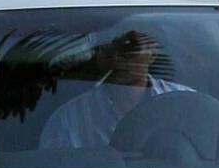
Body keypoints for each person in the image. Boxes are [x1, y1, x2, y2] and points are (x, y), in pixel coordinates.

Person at [39, 30, 188, 150]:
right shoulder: (68, 120)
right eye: (106, 49)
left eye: (128, 46)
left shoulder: (187, 105)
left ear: (153, 53)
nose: (116, 58)